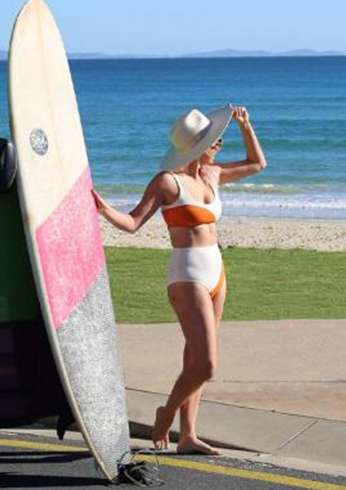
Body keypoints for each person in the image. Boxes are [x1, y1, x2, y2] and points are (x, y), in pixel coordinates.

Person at [92, 104, 266, 454]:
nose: (219, 144)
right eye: (214, 140)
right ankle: (165, 414)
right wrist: (101, 208)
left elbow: (257, 164)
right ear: (196, 147)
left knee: (194, 360)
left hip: (216, 269)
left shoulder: (212, 175)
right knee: (207, 364)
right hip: (187, 275)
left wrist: (246, 126)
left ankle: (188, 436)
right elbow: (133, 223)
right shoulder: (167, 182)